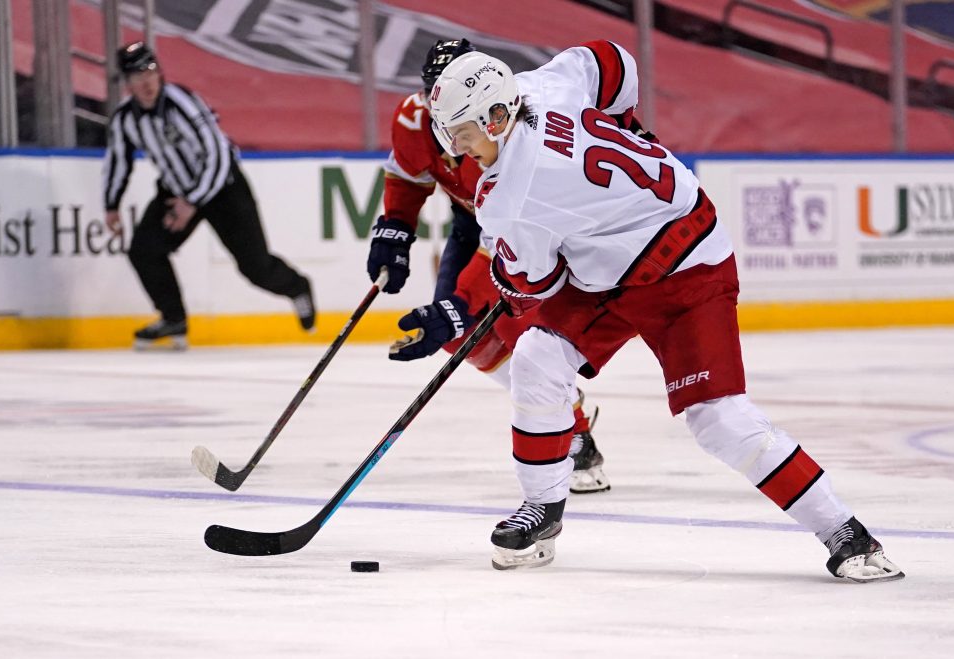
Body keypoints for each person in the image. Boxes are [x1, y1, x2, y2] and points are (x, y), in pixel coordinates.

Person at [427, 41, 905, 582]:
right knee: (537, 358)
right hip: (617, 260)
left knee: (718, 419)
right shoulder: (540, 86)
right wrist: (624, 125)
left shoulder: (511, 195)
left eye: (462, 133)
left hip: (685, 270)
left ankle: (846, 533)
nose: (457, 149)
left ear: (495, 118)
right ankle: (543, 509)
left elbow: (535, 282)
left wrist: (507, 283)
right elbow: (608, 59)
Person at [367, 39, 610, 493]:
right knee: (454, 331)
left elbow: (506, 235)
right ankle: (562, 399)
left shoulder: (514, 133)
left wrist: (462, 298)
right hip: (472, 224)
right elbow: (407, 173)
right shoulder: (414, 117)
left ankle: (574, 432)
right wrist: (395, 227)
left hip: (531, 232)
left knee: (525, 338)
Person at [102, 42, 315, 350]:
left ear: (159, 72)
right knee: (144, 250)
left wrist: (193, 201)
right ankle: (173, 318)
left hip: (223, 187)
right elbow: (117, 161)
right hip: (176, 190)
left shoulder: (182, 102)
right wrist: (110, 205)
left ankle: (297, 286)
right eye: (136, 77)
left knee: (254, 266)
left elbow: (217, 153)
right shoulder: (125, 118)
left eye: (149, 72)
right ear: (126, 83)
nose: (146, 82)